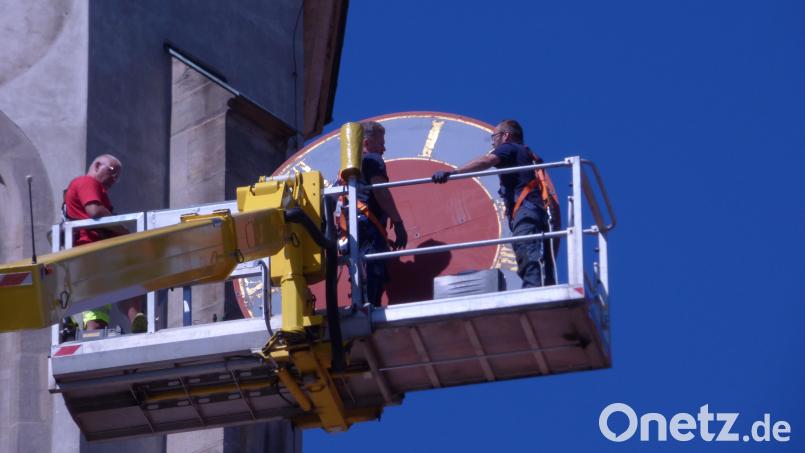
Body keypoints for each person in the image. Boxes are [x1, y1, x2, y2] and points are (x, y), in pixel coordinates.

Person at [432, 120, 558, 288]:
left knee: (525, 247)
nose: (492, 141)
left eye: (494, 136)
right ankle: (545, 287)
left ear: (505, 136)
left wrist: (454, 173)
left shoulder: (508, 148)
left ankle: (532, 288)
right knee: (541, 257)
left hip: (526, 210)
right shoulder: (530, 155)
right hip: (538, 212)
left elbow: (486, 161)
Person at [64, 154, 146, 332]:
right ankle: (129, 320)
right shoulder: (86, 182)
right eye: (112, 171)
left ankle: (131, 321)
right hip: (94, 250)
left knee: (109, 295)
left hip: (95, 254)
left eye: (118, 176)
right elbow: (94, 211)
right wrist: (123, 230)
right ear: (97, 165)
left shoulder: (88, 187)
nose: (115, 178)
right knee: (121, 283)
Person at [353, 121, 408, 306]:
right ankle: (371, 306)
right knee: (374, 267)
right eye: (381, 143)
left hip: (353, 227)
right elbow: (380, 190)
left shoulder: (348, 169)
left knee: (358, 267)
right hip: (369, 225)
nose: (384, 148)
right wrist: (398, 223)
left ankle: (361, 303)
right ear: (367, 144)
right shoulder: (373, 160)